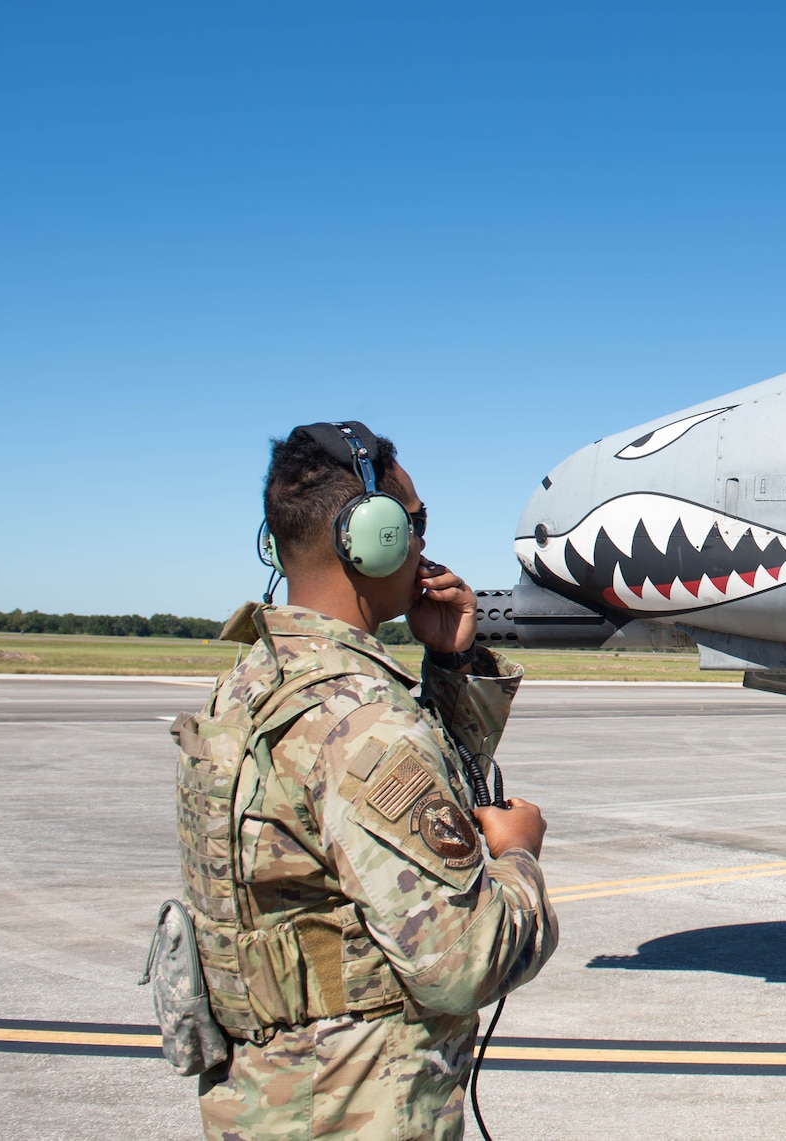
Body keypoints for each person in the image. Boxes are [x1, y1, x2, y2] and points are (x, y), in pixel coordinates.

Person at [173, 421, 558, 1139]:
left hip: (267, 1101)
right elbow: (462, 963)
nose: (422, 544)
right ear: (370, 534)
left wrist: (450, 666)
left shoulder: (249, 688)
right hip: (355, 1104)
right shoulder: (363, 723)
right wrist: (519, 858)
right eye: (415, 522)